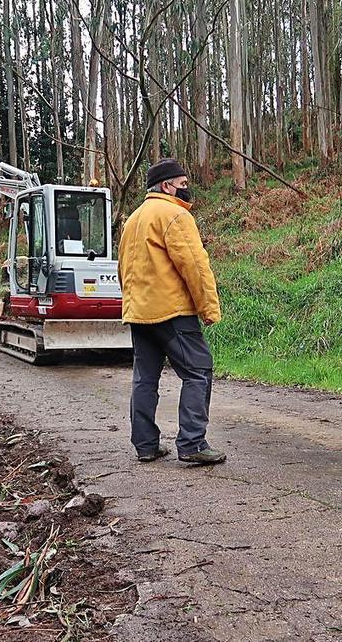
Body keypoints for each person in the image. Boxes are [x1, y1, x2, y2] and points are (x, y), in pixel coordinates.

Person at [118, 158, 225, 465]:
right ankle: (192, 444)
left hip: (139, 312)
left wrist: (131, 304)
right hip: (171, 312)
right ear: (167, 186)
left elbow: (123, 268)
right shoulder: (175, 215)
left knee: (144, 378)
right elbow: (194, 265)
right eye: (183, 184)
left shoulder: (134, 219)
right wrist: (208, 308)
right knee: (198, 370)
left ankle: (146, 445)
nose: (186, 189)